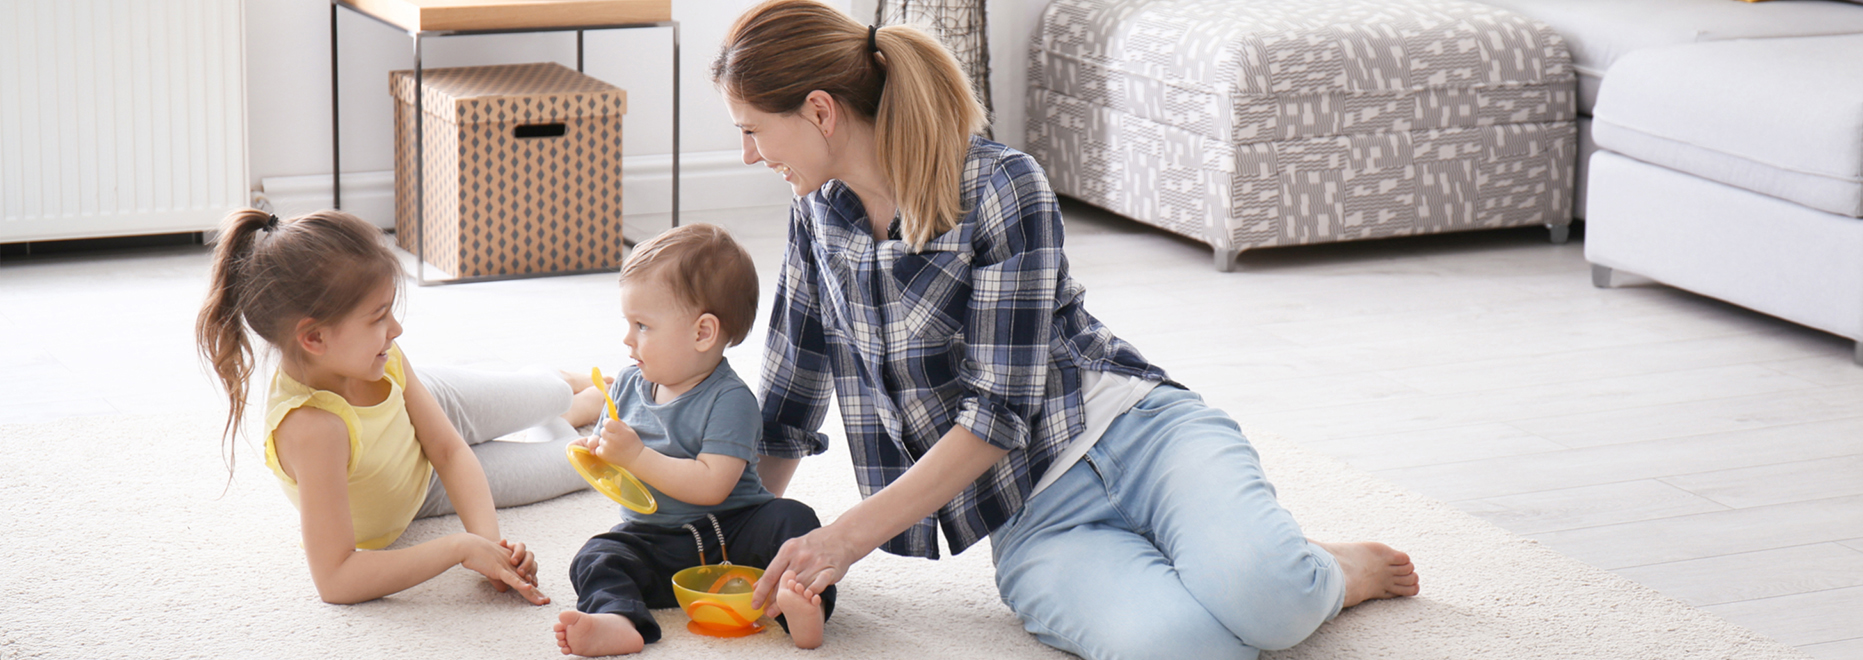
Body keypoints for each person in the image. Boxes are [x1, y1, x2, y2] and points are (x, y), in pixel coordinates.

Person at [711, 2, 1421, 658]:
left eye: (751, 129)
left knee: (1274, 603)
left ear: (820, 111)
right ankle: (1224, 558)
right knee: (1189, 649)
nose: (748, 154)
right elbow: (789, 401)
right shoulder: (815, 219)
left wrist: (844, 538)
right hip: (1034, 513)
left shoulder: (1000, 184)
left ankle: (1328, 570)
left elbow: (997, 414)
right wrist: (733, 542)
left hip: (1137, 433)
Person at [195, 208, 602, 605]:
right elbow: (335, 580)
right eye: (379, 317)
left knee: (550, 393)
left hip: (439, 406)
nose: (397, 329)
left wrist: (490, 548)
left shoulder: (381, 355)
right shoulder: (312, 429)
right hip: (423, 492)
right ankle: (568, 414)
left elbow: (448, 449)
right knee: (585, 464)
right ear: (314, 338)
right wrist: (463, 548)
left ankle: (571, 392)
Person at [554, 223, 836, 657]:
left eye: (642, 325)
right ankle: (618, 620)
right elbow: (617, 465)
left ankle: (800, 607)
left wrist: (636, 455)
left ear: (703, 333)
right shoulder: (627, 384)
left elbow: (711, 486)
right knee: (597, 556)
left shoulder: (731, 400)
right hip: (656, 540)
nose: (627, 338)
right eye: (628, 323)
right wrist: (597, 454)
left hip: (735, 532)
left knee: (794, 521)